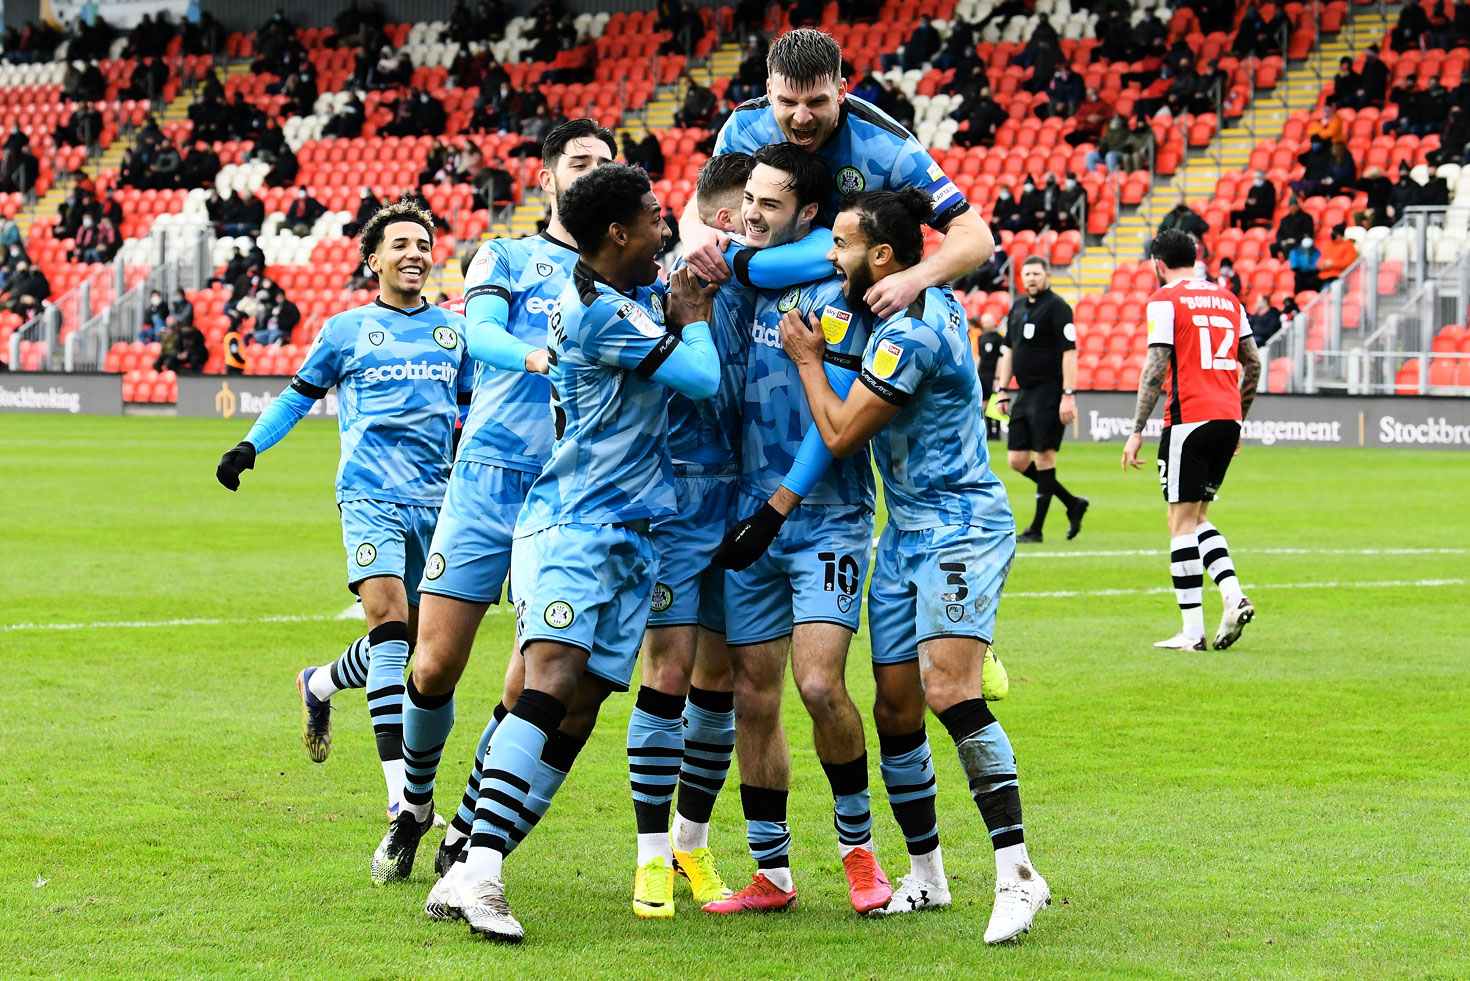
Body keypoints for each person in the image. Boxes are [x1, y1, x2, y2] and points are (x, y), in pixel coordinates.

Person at [429, 164, 721, 943]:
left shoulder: (618, 295)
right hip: (575, 526)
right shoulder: (594, 310)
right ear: (619, 233)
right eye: (656, 219)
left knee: (582, 705)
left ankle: (463, 866)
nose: (666, 230)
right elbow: (698, 374)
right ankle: (483, 870)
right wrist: (692, 317)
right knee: (550, 681)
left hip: (629, 535)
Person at [767, 187, 1049, 942]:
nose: (831, 257)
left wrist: (803, 359)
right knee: (895, 705)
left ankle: (1018, 872)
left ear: (882, 257)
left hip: (960, 524)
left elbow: (836, 431)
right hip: (904, 534)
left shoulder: (914, 333)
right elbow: (836, 310)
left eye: (841, 245)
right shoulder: (903, 298)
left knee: (946, 688)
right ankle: (927, 874)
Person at [364, 120, 616, 889]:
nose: (593, 173)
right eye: (579, 163)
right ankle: (413, 806)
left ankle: (469, 831)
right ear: (547, 179)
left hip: (567, 490)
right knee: (434, 662)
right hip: (485, 478)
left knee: (524, 684)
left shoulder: (626, 274)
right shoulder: (504, 255)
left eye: (607, 165)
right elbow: (479, 333)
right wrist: (540, 354)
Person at [217, 198, 476, 821]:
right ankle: (402, 804)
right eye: (400, 245)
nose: (414, 253)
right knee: (390, 635)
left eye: (422, 244)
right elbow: (294, 398)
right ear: (373, 260)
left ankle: (320, 682)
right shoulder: (345, 330)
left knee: (413, 640)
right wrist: (250, 445)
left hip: (436, 503)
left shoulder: (455, 332)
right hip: (368, 497)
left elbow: (472, 416)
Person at [679, 28, 995, 320]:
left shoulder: (889, 147)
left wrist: (915, 278)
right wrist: (693, 230)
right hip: (762, 302)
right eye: (788, 102)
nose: (801, 118)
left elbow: (976, 236)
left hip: (851, 311)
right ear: (769, 91)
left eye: (817, 102)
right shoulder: (745, 127)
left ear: (841, 90)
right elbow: (705, 199)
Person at [1122, 228, 1261, 651]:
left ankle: (1191, 633)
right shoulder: (1229, 299)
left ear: (1157, 264)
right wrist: (1239, 418)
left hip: (1188, 419)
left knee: (1179, 522)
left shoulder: (1165, 299)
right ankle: (1233, 595)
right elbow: (1252, 363)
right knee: (1198, 516)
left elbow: (1157, 364)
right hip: (1228, 417)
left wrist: (1136, 429)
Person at [993, 256, 1087, 543]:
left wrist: (1068, 394)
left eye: (1036, 273)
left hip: (1050, 390)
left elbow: (1070, 353)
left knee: (1044, 456)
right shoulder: (1018, 306)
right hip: (1023, 391)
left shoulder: (1058, 307)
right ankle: (1072, 503)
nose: (1031, 278)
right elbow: (1008, 350)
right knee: (1017, 460)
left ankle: (1036, 529)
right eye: (1026, 273)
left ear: (1047, 274)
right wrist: (1002, 389)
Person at [976, 313, 1004, 441]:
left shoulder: (999, 338)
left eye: (988, 322)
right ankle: (988, 431)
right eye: (984, 322)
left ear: (994, 322)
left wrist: (998, 377)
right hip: (983, 374)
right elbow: (980, 356)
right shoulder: (981, 338)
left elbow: (1001, 358)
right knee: (985, 403)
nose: (986, 324)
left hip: (994, 375)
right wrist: (976, 372)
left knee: (995, 402)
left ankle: (996, 432)